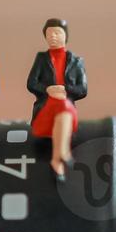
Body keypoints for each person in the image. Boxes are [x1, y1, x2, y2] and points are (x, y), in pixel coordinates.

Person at [26, 18, 87, 181]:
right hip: (45, 109)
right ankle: (62, 154)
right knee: (62, 106)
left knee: (63, 106)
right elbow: (31, 83)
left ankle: (56, 161)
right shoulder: (41, 58)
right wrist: (48, 89)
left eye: (57, 33)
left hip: (65, 108)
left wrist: (66, 90)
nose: (52, 37)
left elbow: (83, 89)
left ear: (65, 35)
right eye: (49, 34)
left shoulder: (77, 61)